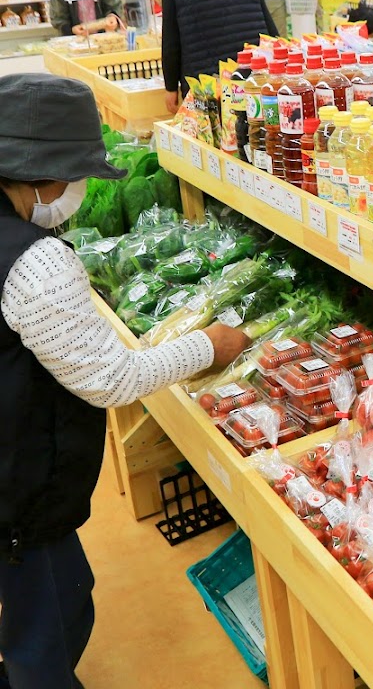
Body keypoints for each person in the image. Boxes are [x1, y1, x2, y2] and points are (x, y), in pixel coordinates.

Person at [0, 73, 250, 689]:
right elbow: (111, 379)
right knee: (49, 621)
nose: (79, 190)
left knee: (52, 599)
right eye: (76, 173)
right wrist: (206, 346)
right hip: (15, 493)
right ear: (38, 175)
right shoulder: (33, 261)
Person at [161, 0, 277, 113]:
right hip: (253, 77)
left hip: (206, 86)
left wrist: (170, 88)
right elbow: (270, 30)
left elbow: (171, 43)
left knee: (211, 138)